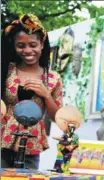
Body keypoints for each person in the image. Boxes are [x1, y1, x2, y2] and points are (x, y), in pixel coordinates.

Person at [1, 14, 63, 169]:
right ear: (14, 46)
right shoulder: (5, 71)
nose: (27, 50)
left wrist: (46, 95)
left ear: (42, 44)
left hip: (31, 145)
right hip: (2, 142)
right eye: (21, 45)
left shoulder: (53, 78)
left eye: (33, 45)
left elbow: (58, 118)